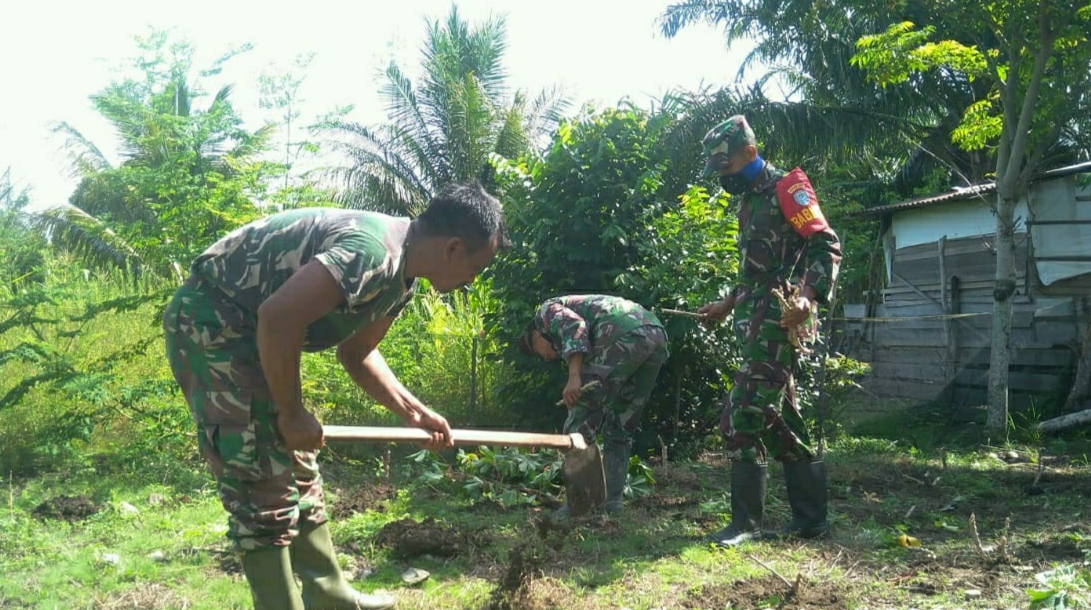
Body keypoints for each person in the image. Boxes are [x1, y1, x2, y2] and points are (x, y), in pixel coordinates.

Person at [163, 182, 507, 610]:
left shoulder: (403, 278)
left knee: (298, 463)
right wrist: (290, 413)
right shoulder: (371, 252)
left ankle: (329, 595)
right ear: (454, 248)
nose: (474, 279)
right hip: (212, 322)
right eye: (478, 267)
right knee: (259, 475)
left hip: (255, 331)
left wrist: (416, 413)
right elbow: (278, 316)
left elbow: (357, 352)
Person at [696, 115, 842, 546]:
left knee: (739, 416)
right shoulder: (749, 203)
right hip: (753, 322)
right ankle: (811, 520)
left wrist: (807, 297)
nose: (724, 177)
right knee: (781, 424)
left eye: (727, 167)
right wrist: (726, 304)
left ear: (751, 153)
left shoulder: (787, 188)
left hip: (782, 323)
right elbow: (755, 272)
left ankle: (745, 524)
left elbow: (826, 245)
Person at [520, 294, 669, 517]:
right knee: (621, 422)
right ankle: (613, 504)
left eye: (538, 352)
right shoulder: (581, 305)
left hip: (620, 335)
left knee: (578, 425)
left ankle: (578, 505)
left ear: (535, 334)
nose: (546, 357)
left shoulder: (545, 311)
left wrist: (574, 376)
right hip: (654, 334)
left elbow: (574, 325)